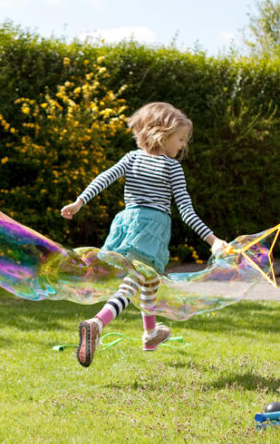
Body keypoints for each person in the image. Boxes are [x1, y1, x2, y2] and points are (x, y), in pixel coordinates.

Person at [60, 102, 228, 367]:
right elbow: (186, 210)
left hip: (128, 224)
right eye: (180, 138)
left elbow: (104, 178)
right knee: (137, 279)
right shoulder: (172, 168)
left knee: (149, 281)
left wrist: (79, 202)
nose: (183, 145)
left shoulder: (131, 158)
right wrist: (213, 240)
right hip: (151, 229)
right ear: (162, 133)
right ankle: (98, 322)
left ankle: (150, 334)